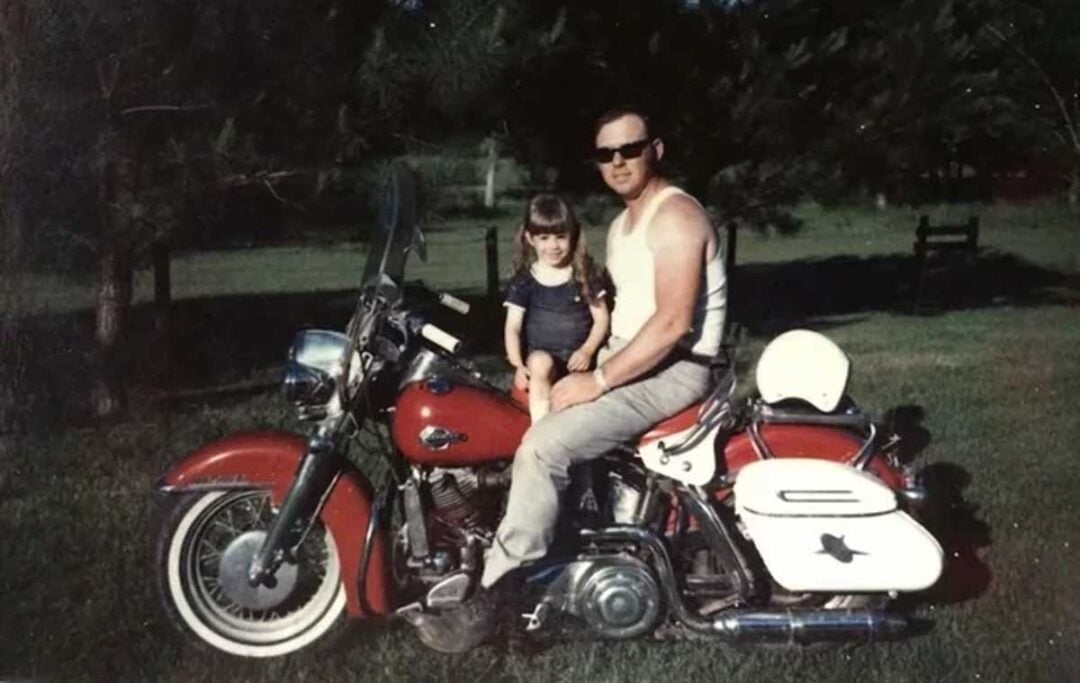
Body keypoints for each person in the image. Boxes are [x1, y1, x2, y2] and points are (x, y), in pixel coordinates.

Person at [411, 106, 727, 652]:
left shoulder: (675, 217)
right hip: (635, 356)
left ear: (657, 149)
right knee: (517, 413)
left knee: (541, 447)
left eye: (630, 148)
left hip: (677, 368)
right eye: (606, 153)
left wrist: (599, 378)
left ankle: (499, 594)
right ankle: (562, 544)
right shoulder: (626, 223)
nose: (619, 161)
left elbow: (674, 325)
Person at [504, 194, 609, 422]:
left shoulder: (584, 274)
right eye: (544, 237)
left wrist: (587, 350)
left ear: (572, 235)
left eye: (561, 237)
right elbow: (513, 327)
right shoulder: (525, 280)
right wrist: (518, 365)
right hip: (541, 361)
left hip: (579, 360)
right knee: (541, 361)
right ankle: (540, 427)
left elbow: (601, 319)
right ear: (530, 239)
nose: (553, 246)